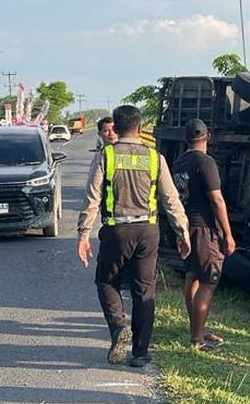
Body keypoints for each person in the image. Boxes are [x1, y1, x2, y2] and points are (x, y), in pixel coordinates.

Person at [77, 105, 190, 368]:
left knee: (106, 281)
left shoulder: (107, 155)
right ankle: (140, 352)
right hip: (147, 231)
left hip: (117, 230)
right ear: (140, 128)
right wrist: (182, 233)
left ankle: (119, 327)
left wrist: (83, 234)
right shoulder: (155, 158)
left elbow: (92, 197)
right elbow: (171, 200)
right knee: (144, 291)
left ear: (115, 128)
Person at [171, 118, 237, 351]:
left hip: (187, 226)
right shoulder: (205, 162)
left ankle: (196, 329)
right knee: (209, 280)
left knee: (192, 276)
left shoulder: (179, 162)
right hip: (204, 228)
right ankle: (197, 337)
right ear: (208, 135)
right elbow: (216, 198)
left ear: (186, 138)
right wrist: (228, 234)